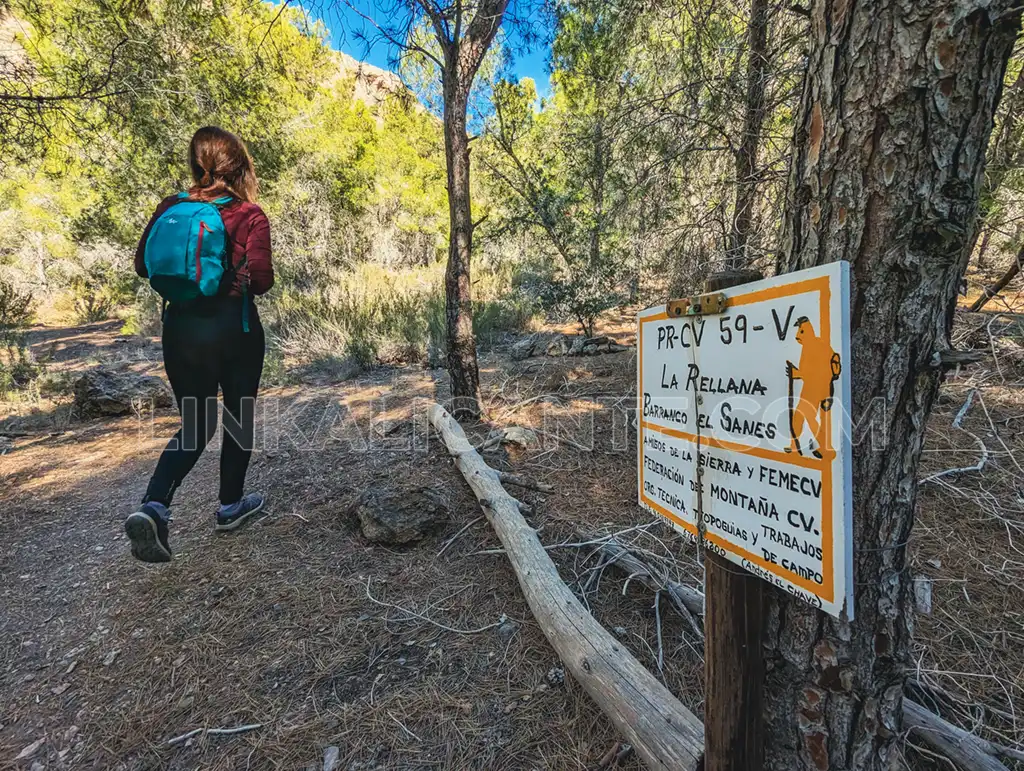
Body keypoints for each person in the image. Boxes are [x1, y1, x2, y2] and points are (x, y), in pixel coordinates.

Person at [124, 126, 274, 563]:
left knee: (195, 423)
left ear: (196, 165)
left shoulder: (172, 207)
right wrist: (235, 275)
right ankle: (229, 507)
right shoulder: (249, 214)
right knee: (238, 418)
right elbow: (261, 281)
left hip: (182, 331)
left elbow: (142, 265)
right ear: (239, 166)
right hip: (235, 330)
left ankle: (155, 505)